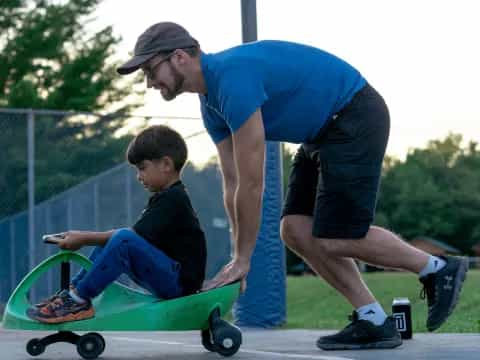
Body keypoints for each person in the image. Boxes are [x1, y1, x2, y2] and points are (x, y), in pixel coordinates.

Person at [116, 22, 469, 350]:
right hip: (321, 133)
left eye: (150, 70)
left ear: (179, 57)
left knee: (335, 236)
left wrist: (243, 259)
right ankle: (374, 320)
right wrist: (238, 259)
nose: (149, 81)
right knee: (295, 229)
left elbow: (254, 184)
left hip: (353, 114)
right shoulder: (211, 106)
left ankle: (438, 269)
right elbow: (234, 183)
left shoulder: (231, 80)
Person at [28, 125, 207, 324]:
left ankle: (77, 301)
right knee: (115, 241)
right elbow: (130, 237)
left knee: (121, 239)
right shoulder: (166, 197)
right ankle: (72, 295)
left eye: (142, 168)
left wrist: (84, 238)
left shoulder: (174, 199)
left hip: (179, 283)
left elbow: (129, 238)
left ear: (166, 164)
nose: (139, 176)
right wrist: (85, 236)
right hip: (170, 275)